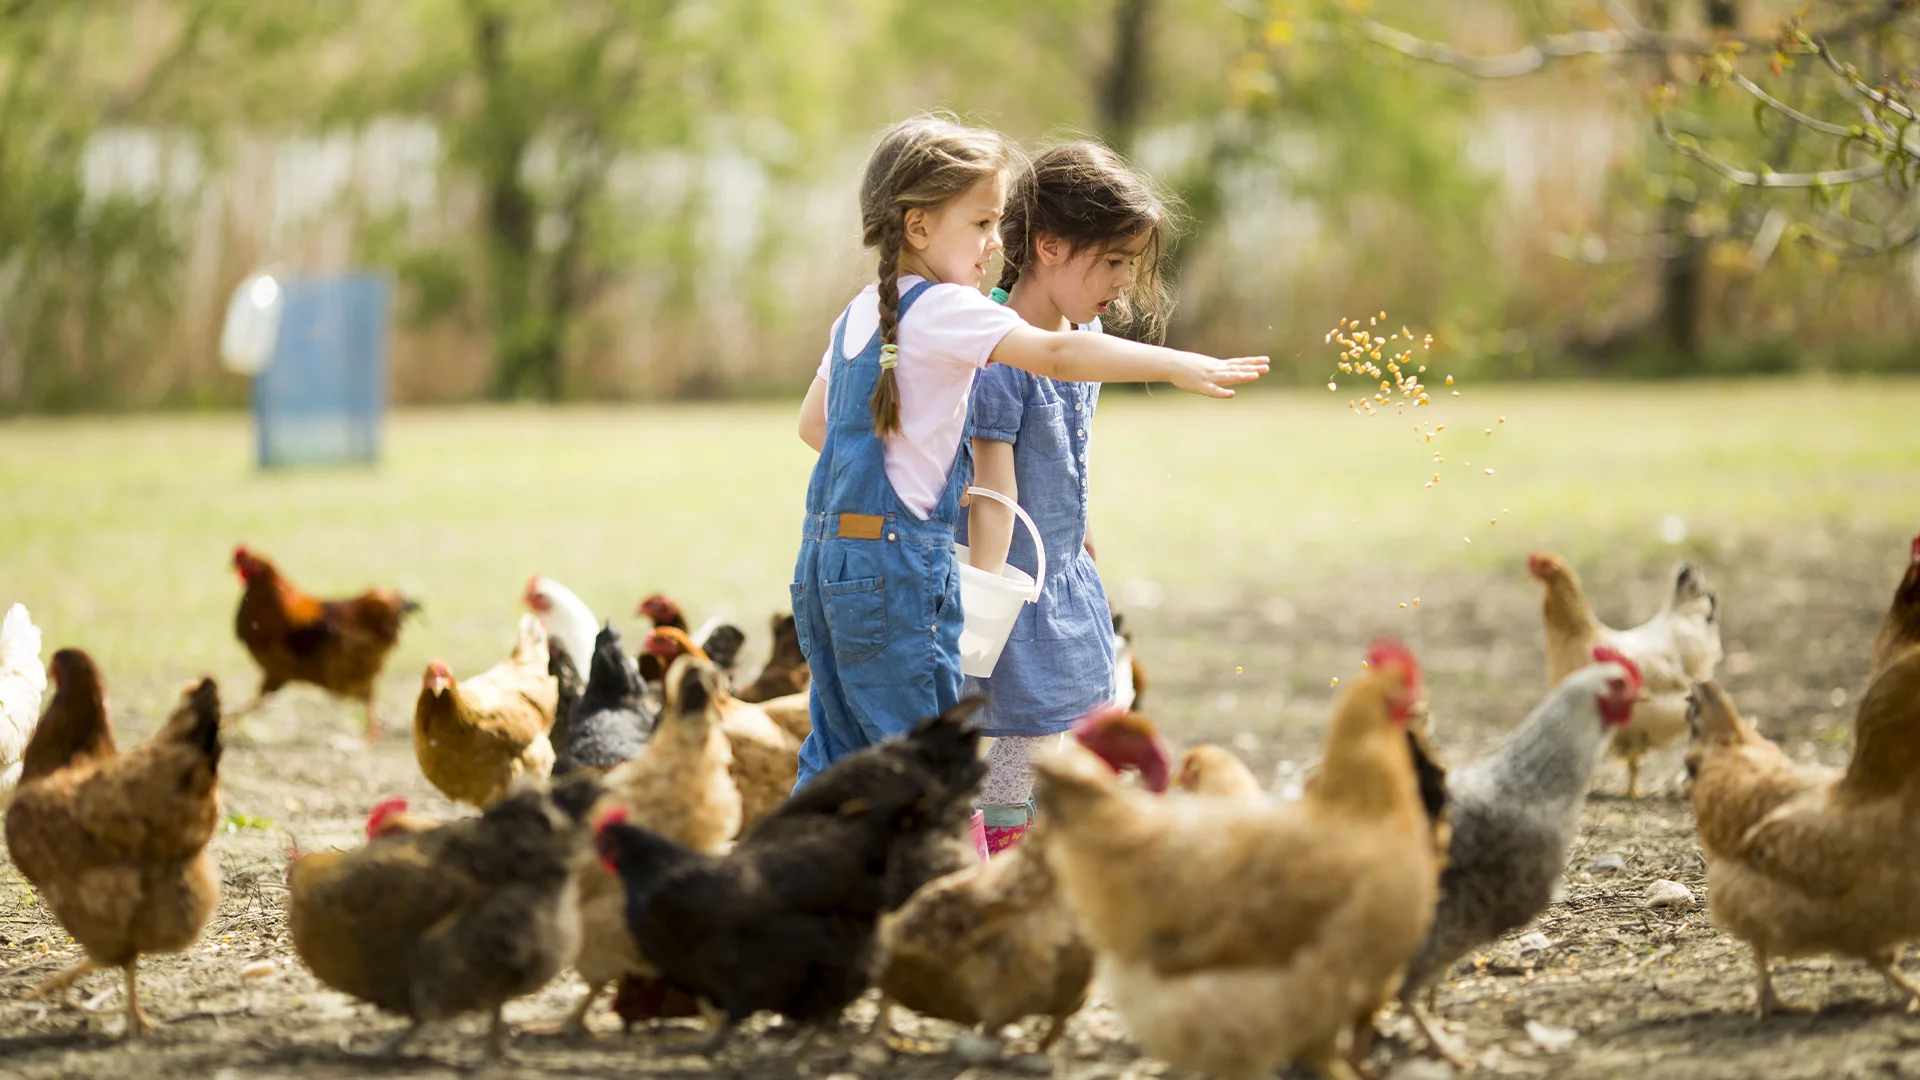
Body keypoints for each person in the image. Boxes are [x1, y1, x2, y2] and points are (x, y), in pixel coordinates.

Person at [791, 115, 1267, 788]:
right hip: (898, 574)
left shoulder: (862, 310)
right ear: (919, 227)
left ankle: (791, 878)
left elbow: (816, 426)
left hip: (827, 565)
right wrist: (1176, 363)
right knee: (933, 772)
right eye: (982, 223)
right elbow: (1055, 352)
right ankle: (958, 877)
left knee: (835, 757)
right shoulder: (948, 308)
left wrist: (916, 472)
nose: (996, 239)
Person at [963, 141, 1173, 852]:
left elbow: (1068, 450)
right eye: (1112, 262)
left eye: (1128, 264)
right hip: (1012, 598)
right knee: (1009, 771)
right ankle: (1001, 889)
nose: (1121, 281)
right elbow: (992, 493)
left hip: (1064, 579)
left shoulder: (1086, 334)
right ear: (1049, 246)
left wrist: (1079, 529)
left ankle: (1061, 888)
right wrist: (978, 617)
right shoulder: (998, 356)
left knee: (1074, 759)